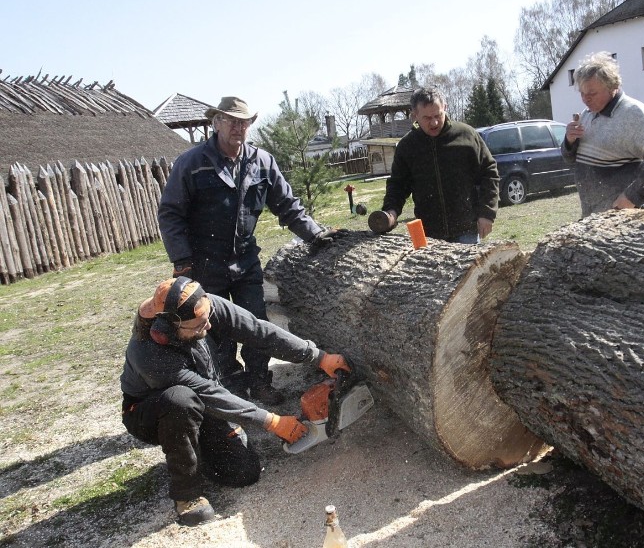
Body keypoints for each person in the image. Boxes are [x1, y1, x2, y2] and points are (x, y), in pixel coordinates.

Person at [120, 277, 350, 526]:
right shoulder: (149, 353)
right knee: (180, 400)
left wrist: (317, 356)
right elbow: (208, 393)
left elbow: (257, 330)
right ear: (169, 329)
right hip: (151, 412)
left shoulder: (199, 306)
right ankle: (186, 495)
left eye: (207, 318)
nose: (207, 326)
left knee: (243, 472)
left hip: (200, 399)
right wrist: (271, 421)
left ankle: (199, 449)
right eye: (197, 326)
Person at [158, 96, 340, 404]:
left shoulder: (262, 162)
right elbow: (170, 213)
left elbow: (287, 206)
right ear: (216, 123)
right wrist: (182, 260)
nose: (238, 128)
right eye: (231, 121)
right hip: (203, 264)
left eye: (243, 122)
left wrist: (314, 234)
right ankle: (231, 384)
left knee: (256, 324)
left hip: (244, 261)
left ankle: (259, 382)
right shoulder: (192, 163)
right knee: (214, 330)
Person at [376, 86, 500, 243]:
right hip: (427, 234)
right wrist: (390, 213)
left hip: (466, 230)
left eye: (438, 115)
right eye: (427, 118)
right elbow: (397, 186)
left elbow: (489, 173)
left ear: (445, 108)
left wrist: (487, 213)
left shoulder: (466, 135)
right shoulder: (407, 146)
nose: (434, 122)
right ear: (414, 115)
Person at [561, 52, 644, 217]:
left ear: (612, 87)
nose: (585, 99)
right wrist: (569, 142)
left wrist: (633, 197)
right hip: (594, 214)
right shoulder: (588, 113)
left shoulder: (633, 113)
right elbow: (571, 160)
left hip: (625, 217)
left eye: (592, 94)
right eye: (582, 93)